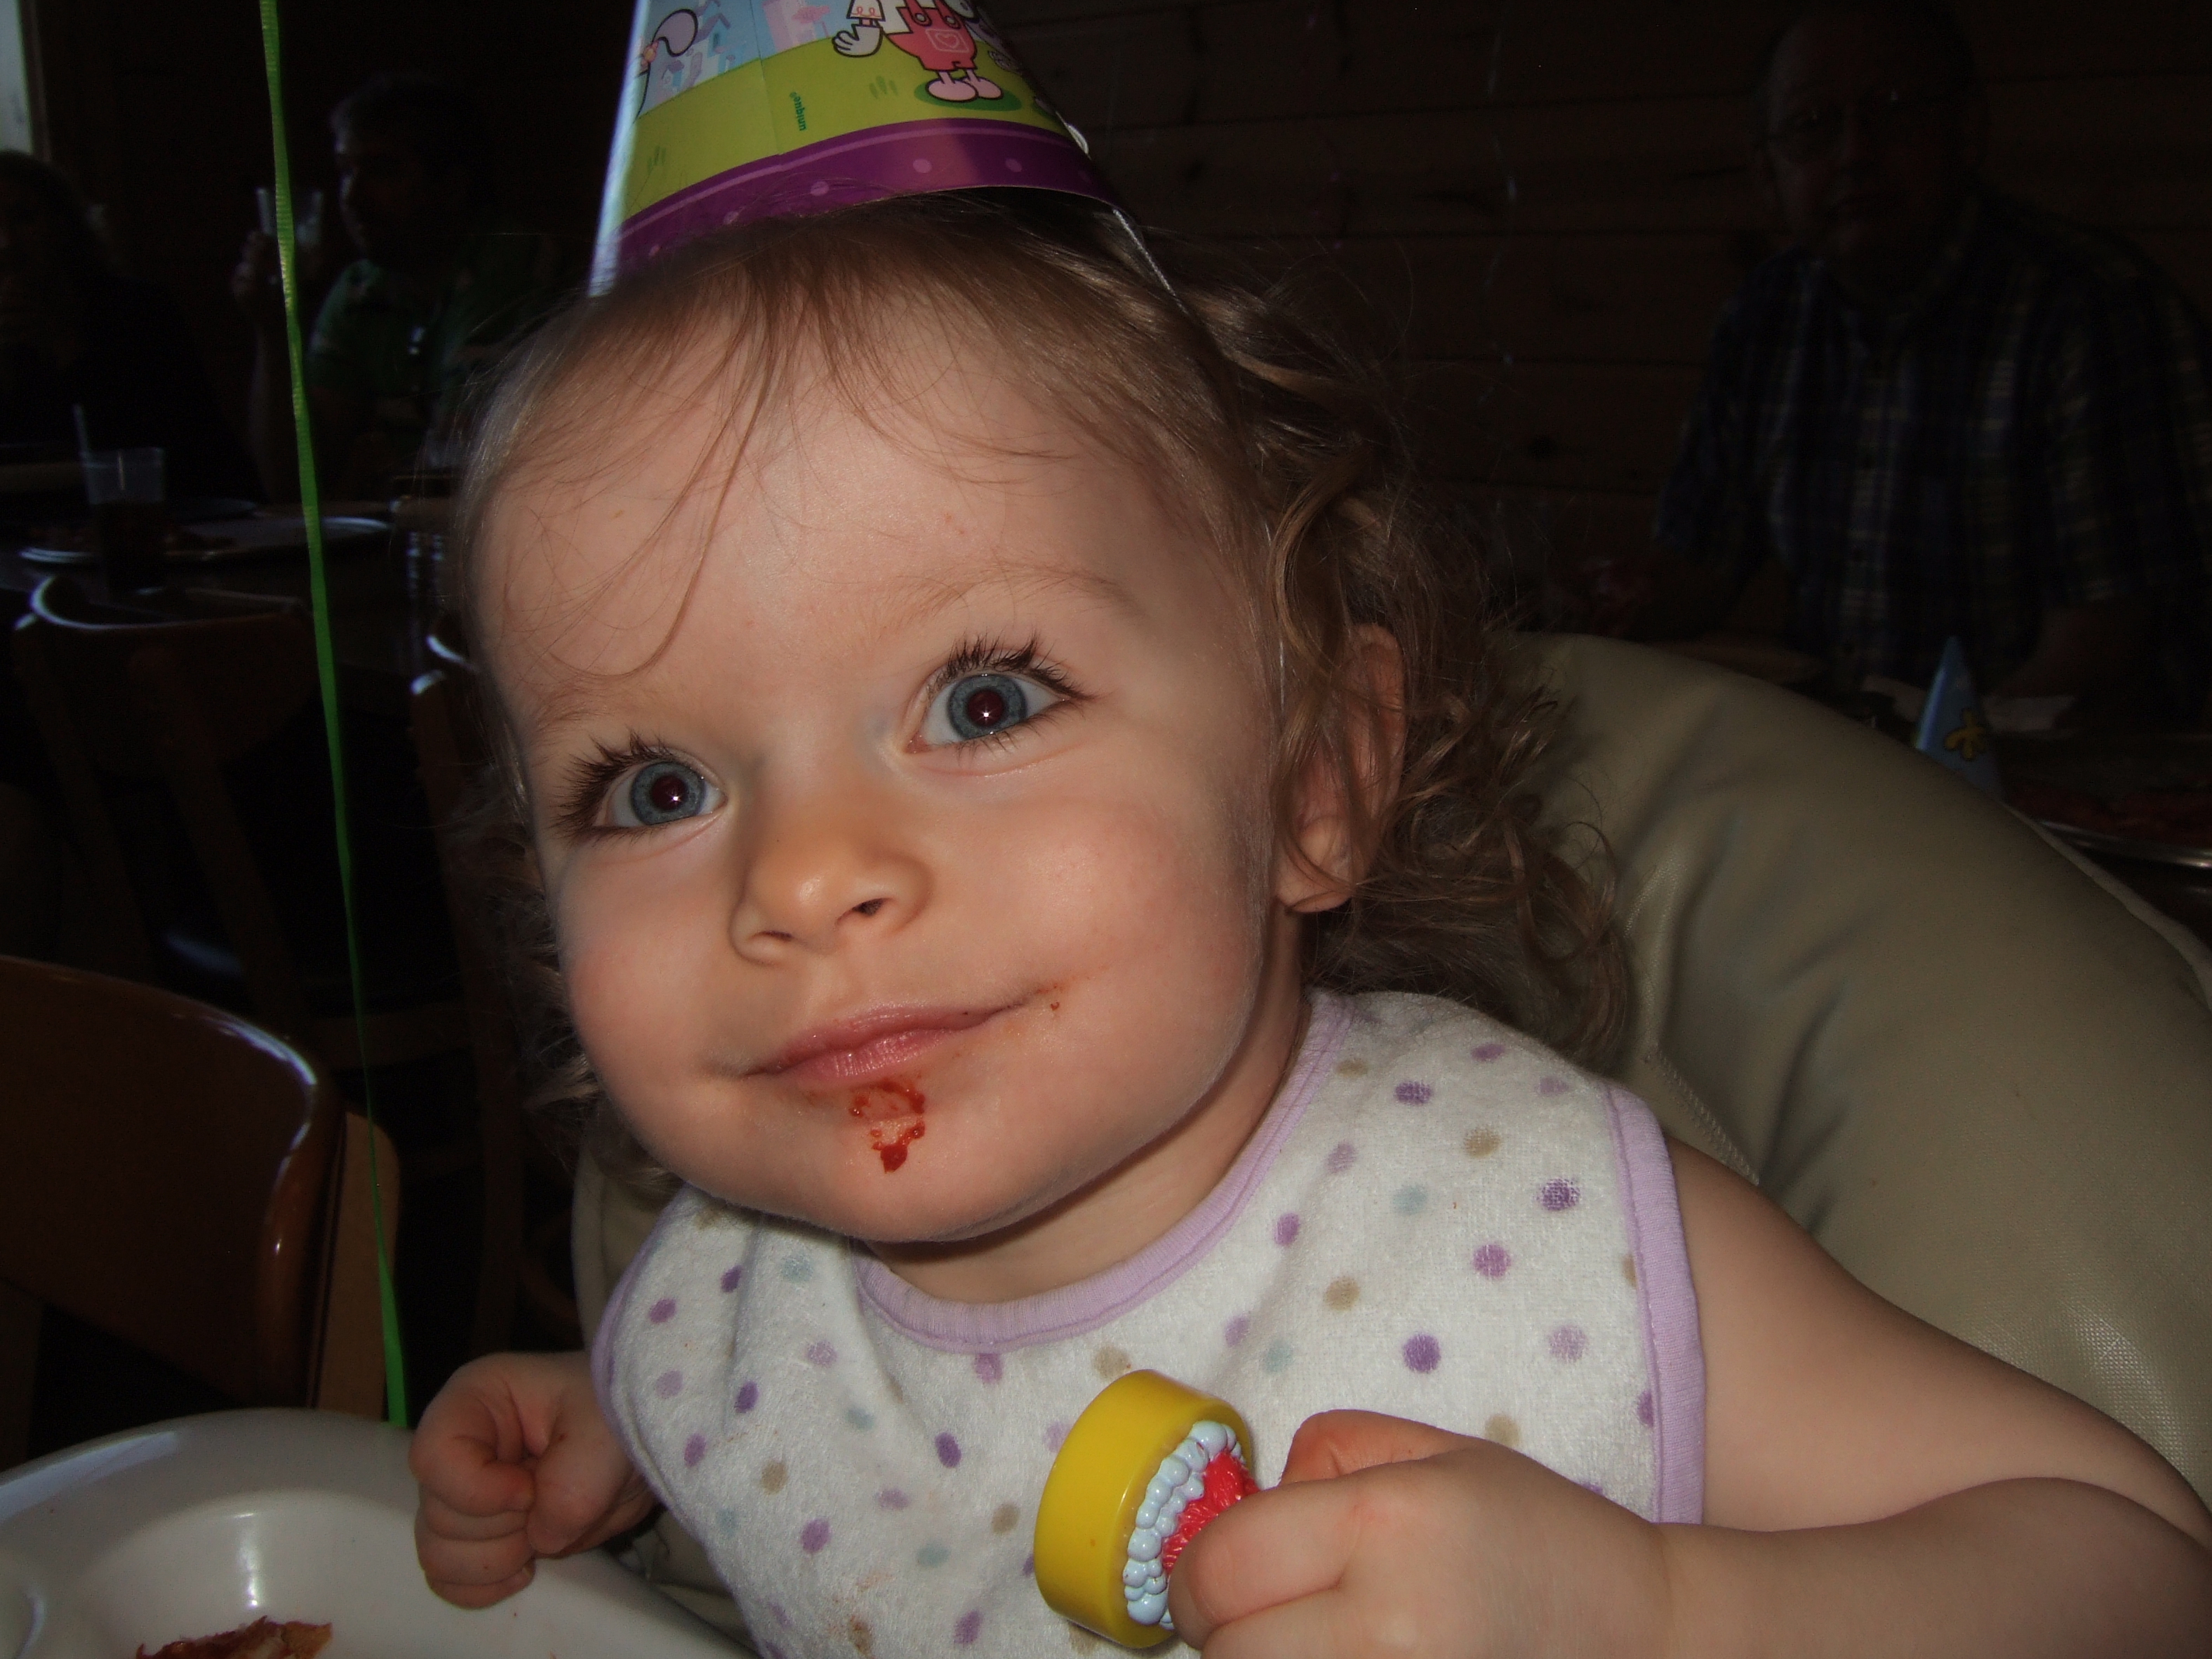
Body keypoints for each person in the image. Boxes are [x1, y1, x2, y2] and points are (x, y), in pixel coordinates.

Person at [406, 194, 2212, 1655]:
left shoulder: (1545, 1236)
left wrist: (1658, 1615)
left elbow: (2129, 1574)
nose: (799, 878)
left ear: (1312, 779)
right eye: (654, 787)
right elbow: (819, 1408)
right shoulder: (734, 1285)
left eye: (980, 700)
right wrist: (623, 1428)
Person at [1643, 0, 2212, 722]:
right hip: (1844, 755)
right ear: (1768, 173)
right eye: (1812, 124)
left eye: (1892, 108)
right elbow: (1696, 563)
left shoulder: (2091, 310)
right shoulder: (1766, 317)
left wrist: (1930, 762)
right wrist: (1580, 604)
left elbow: (2100, 656)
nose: (1854, 152)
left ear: (1966, 130)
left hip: (2050, 768)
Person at [231, 74, 564, 501]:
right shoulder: (362, 289)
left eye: (382, 171)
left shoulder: (511, 270)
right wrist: (276, 331)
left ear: (453, 183)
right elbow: (291, 486)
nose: (352, 197)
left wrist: (361, 480)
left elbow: (457, 477)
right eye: (346, 172)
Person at [0, 152, 258, 500]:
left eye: (24, 218)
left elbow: (181, 452)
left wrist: (66, 350)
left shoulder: (135, 311)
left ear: (61, 226)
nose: (7, 242)